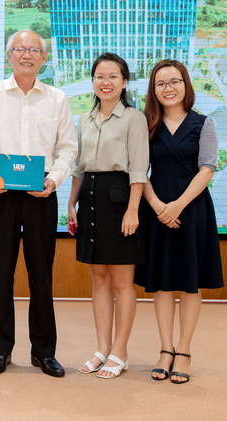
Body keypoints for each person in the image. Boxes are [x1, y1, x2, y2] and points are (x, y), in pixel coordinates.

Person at [0, 29, 77, 378]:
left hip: (41, 192)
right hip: (1, 194)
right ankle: (0, 350)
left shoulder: (57, 98)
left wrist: (53, 180)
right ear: (9, 56)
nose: (26, 55)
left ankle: (44, 352)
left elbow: (68, 148)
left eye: (34, 50)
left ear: (44, 58)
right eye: (19, 49)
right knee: (0, 273)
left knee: (41, 274)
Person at [134, 59, 224, 384]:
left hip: (192, 210)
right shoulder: (145, 124)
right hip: (156, 209)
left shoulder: (204, 123)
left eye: (174, 81)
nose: (168, 88)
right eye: (160, 83)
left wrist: (177, 206)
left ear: (186, 84)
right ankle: (165, 349)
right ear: (153, 90)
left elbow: (207, 168)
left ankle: (184, 350)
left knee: (189, 283)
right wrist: (159, 206)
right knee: (162, 283)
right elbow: (139, 170)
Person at [67, 53, 149, 379]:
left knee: (122, 282)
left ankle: (121, 351)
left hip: (120, 200)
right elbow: (78, 168)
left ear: (124, 81)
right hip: (89, 198)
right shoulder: (85, 119)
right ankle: (102, 348)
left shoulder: (134, 118)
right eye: (100, 76)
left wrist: (133, 210)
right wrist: (70, 205)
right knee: (98, 278)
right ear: (92, 81)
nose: (106, 82)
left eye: (113, 76)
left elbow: (139, 169)